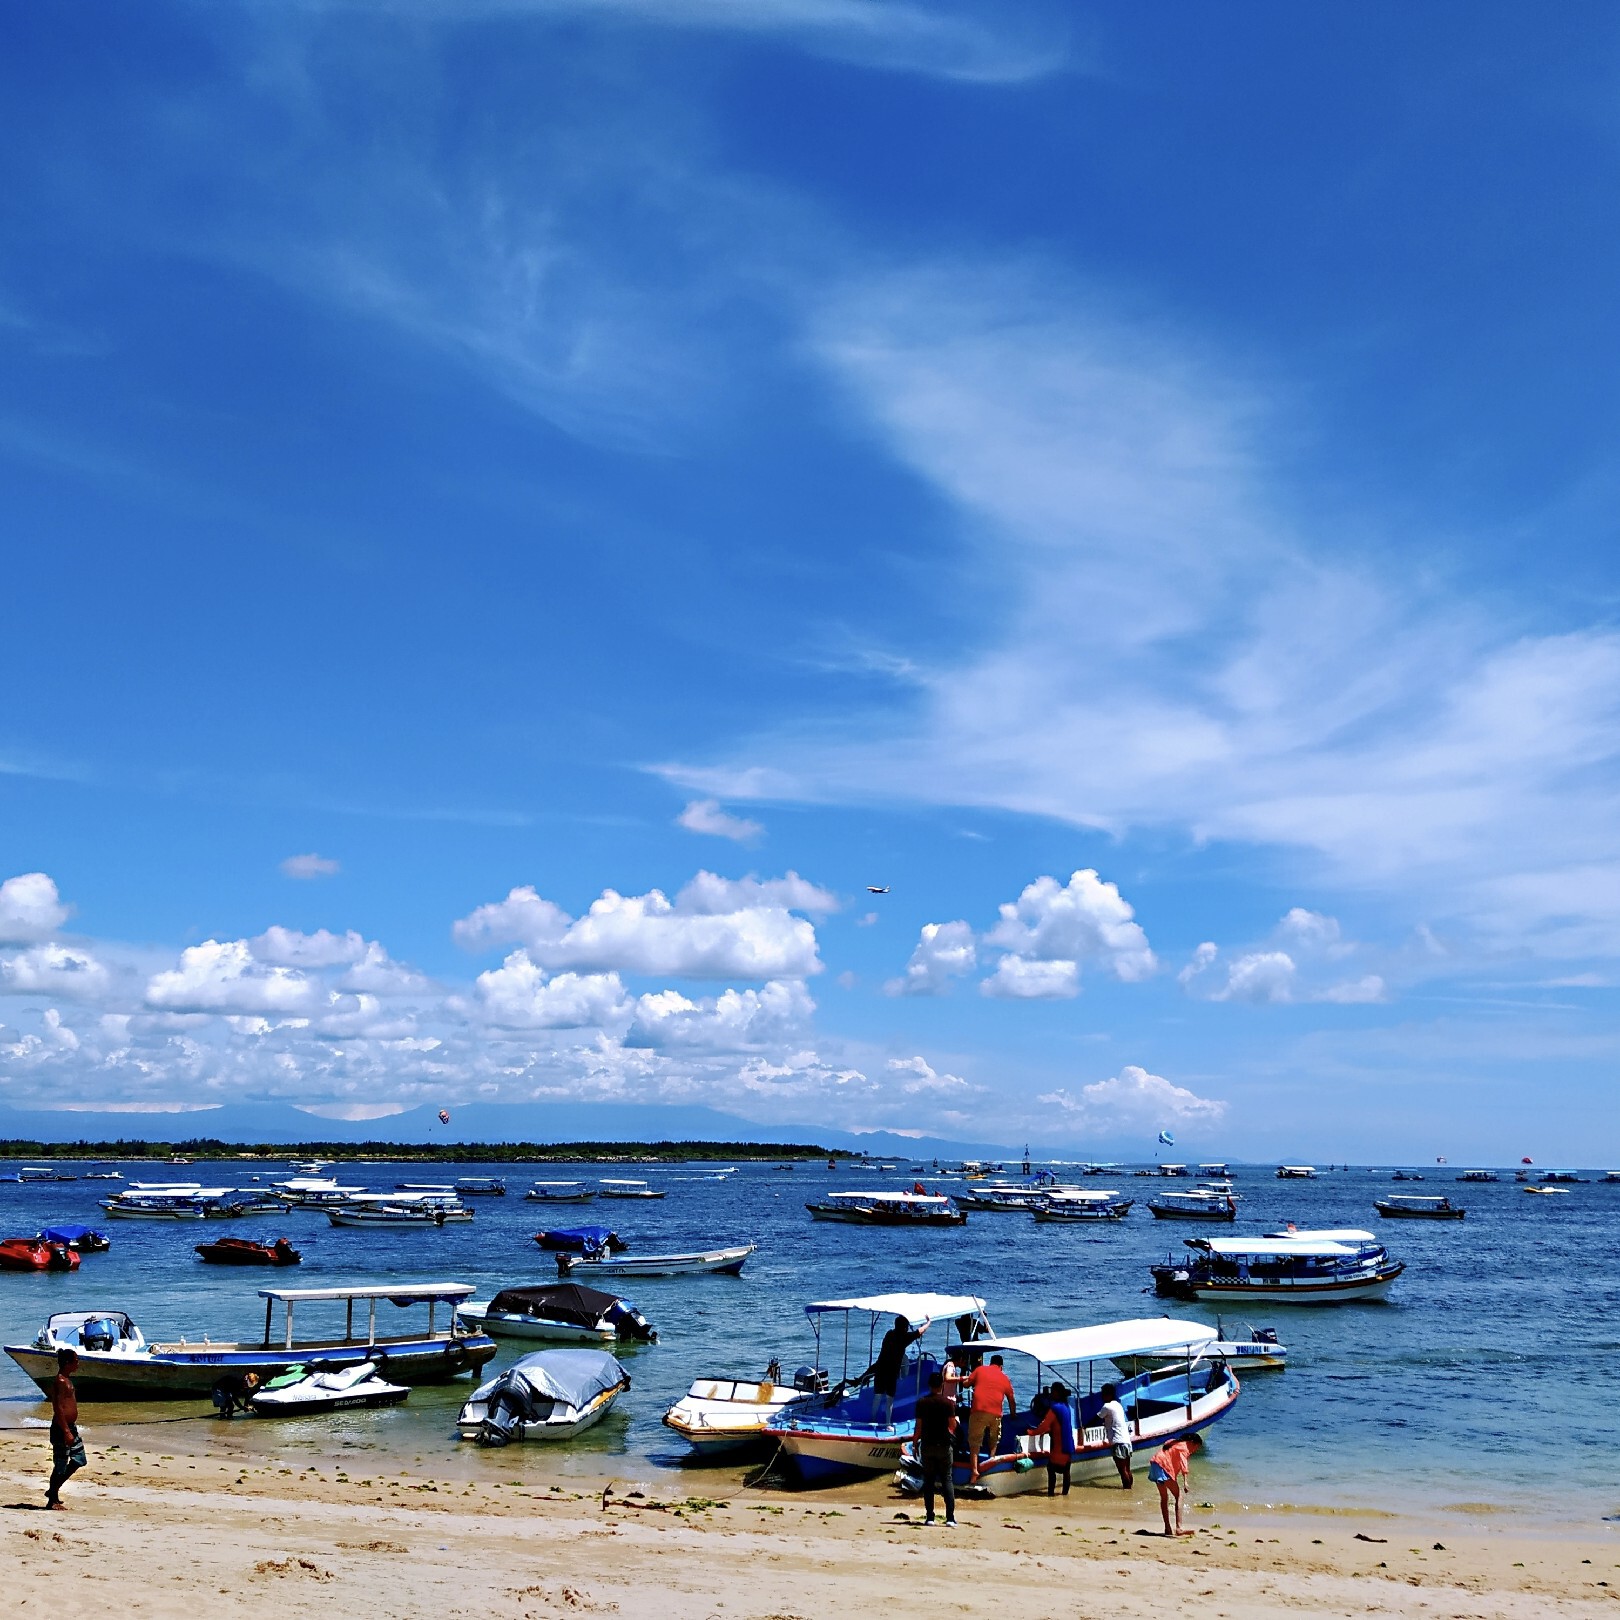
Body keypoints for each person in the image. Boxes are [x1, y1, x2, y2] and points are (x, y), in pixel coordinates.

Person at [858, 1314, 926, 1426]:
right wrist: (928, 1322)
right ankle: (888, 1424)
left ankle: (873, 1420)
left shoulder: (889, 1334)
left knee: (877, 1396)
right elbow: (920, 1331)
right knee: (889, 1399)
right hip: (891, 1372)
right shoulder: (904, 1337)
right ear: (905, 1327)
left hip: (880, 1368)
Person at [912, 1370, 958, 1527]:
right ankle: (950, 1518)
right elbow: (952, 1425)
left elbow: (918, 1427)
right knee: (947, 1479)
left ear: (930, 1385)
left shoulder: (922, 1403)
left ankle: (930, 1517)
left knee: (929, 1481)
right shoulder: (947, 1403)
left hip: (927, 1444)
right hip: (944, 1445)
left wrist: (914, 1443)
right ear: (942, 1385)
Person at [962, 1352, 1016, 1482]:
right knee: (994, 1440)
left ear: (990, 1362)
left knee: (975, 1442)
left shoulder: (980, 1370)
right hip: (996, 1413)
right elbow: (1011, 1400)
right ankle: (990, 1465)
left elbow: (966, 1384)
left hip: (978, 1411)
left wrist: (965, 1378)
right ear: (1001, 1366)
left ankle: (974, 1471)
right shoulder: (1005, 1378)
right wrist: (1013, 1415)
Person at [45, 1348, 84, 1510]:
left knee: (79, 1459)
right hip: (62, 1429)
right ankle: (52, 1499)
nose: (78, 1363)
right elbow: (58, 1408)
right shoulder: (60, 1381)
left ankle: (53, 1490)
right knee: (61, 1464)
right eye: (75, 1360)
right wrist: (66, 1431)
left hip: (70, 1427)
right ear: (68, 1363)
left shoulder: (67, 1380)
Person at [1148, 1432, 1202, 1536]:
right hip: (1163, 1466)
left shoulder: (1173, 1442)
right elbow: (1183, 1463)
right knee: (1179, 1496)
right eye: (1196, 1447)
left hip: (1155, 1465)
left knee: (1164, 1498)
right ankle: (1179, 1528)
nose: (1195, 1450)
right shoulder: (1184, 1447)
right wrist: (1185, 1481)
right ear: (1192, 1442)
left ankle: (1167, 1528)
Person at [1028, 1381, 1074, 1496]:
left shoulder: (1055, 1408)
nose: (1051, 1393)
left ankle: (1050, 1494)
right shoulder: (1066, 1406)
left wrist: (1032, 1432)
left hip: (1059, 1445)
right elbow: (1059, 1424)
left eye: (1053, 1391)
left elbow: (1044, 1425)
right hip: (1068, 1445)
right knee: (1066, 1471)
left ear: (1056, 1393)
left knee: (1051, 1468)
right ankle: (1065, 1494)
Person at [1099, 1382, 1133, 1488]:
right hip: (1127, 1441)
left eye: (1103, 1394)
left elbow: (1097, 1419)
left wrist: (1084, 1427)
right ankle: (1129, 1490)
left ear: (1108, 1395)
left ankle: (1127, 1491)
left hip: (1117, 1442)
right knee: (1127, 1469)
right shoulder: (1118, 1405)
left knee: (1122, 1471)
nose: (1101, 1396)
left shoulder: (1107, 1406)